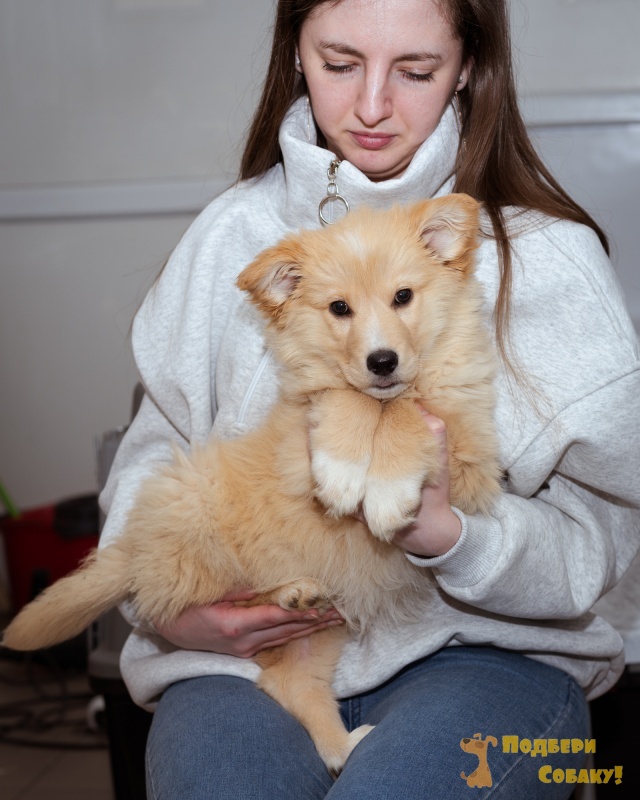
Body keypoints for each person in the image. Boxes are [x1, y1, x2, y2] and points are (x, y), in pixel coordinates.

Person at [99, 1, 640, 797]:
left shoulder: (546, 256)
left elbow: (599, 545)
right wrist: (168, 610)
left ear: (469, 67)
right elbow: (158, 452)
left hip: (491, 652)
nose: (373, 105)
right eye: (340, 64)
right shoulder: (228, 237)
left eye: (415, 71)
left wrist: (454, 538)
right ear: (295, 53)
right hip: (238, 658)